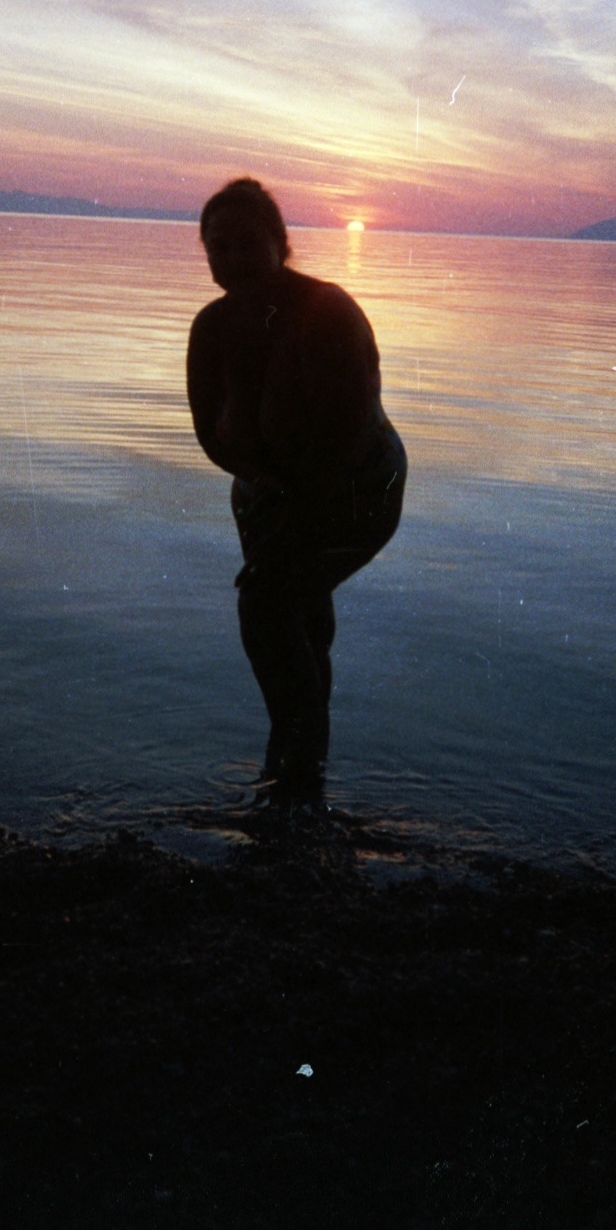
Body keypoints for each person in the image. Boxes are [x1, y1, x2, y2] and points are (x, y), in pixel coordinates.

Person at [187, 178, 407, 798]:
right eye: (218, 247)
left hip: (359, 486)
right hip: (269, 492)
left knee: (266, 606)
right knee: (298, 616)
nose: (232, 260)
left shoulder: (327, 313)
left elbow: (344, 443)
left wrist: (289, 528)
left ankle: (294, 773)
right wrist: (265, 493)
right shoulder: (211, 329)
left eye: (247, 244)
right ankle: (302, 772)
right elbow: (210, 433)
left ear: (281, 244)